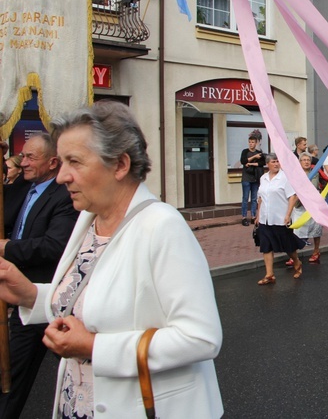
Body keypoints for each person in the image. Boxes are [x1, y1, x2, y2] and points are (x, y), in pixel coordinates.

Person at [0, 102, 223, 418]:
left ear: (119, 164)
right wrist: (30, 295)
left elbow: (201, 338)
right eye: (61, 162)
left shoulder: (161, 226)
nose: (62, 176)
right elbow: (85, 296)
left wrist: (93, 347)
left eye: (74, 161)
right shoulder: (88, 218)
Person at [0, 134, 79, 418]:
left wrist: (8, 248)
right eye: (22, 156)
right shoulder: (23, 187)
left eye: (31, 157)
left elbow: (53, 246)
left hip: (47, 296)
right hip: (20, 295)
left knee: (76, 366)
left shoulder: (64, 197)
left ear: (52, 163)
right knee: (12, 374)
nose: (24, 162)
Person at [255, 153, 306, 284]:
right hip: (265, 218)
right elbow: (260, 198)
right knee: (266, 246)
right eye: (273, 161)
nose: (276, 164)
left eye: (278, 161)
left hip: (280, 218)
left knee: (287, 244)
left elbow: (293, 197)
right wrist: (258, 214)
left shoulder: (285, 178)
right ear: (267, 164)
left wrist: (288, 214)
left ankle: (296, 261)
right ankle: (269, 274)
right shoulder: (263, 178)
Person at [291, 153, 324, 264]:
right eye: (303, 160)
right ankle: (294, 256)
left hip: (313, 205)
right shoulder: (295, 174)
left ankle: (316, 251)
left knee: (316, 228)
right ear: (299, 162)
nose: (306, 162)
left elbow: (313, 186)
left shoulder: (314, 173)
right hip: (299, 204)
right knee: (296, 230)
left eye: (308, 160)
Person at [240, 131, 264, 226]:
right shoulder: (245, 152)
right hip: (246, 178)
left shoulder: (259, 153)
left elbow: (262, 163)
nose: (251, 144)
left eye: (253, 142)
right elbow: (243, 161)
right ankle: (244, 217)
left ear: (256, 143)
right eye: (250, 142)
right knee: (245, 198)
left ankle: (253, 216)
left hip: (255, 178)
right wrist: (254, 157)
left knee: (254, 198)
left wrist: (250, 163)